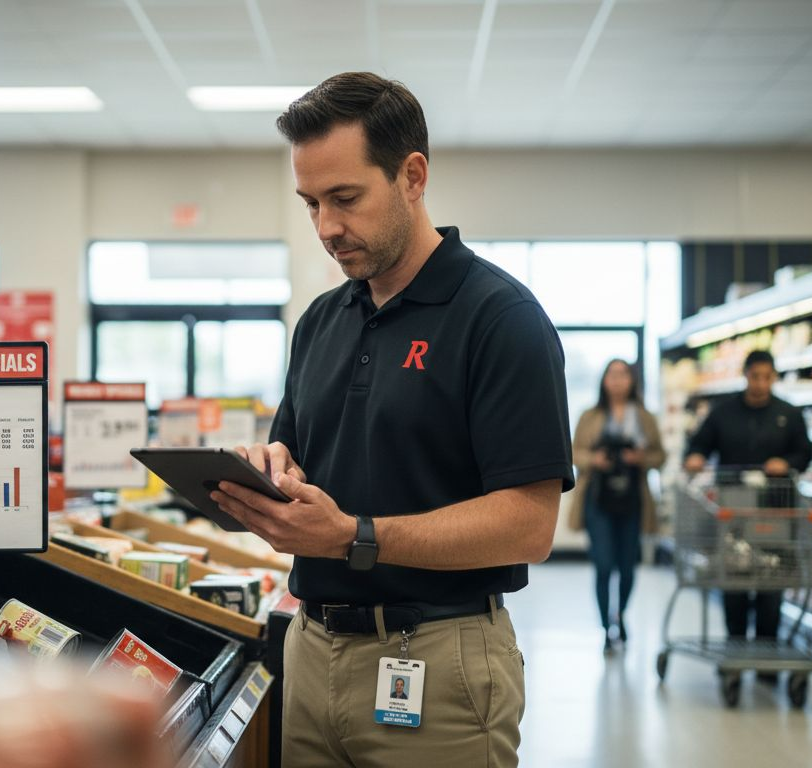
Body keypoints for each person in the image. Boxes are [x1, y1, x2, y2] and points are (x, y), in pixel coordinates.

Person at [208, 72, 573, 768]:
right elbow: (297, 449)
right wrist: (272, 471)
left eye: (345, 199)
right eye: (311, 203)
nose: (326, 227)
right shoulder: (322, 320)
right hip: (309, 650)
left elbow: (529, 525)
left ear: (412, 176)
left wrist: (354, 537)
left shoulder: (500, 319)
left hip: (437, 659)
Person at [683, 349, 811, 670]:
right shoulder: (723, 413)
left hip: (776, 513)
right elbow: (699, 444)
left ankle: (767, 659)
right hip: (733, 514)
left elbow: (805, 455)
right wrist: (695, 457)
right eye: (756, 377)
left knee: (772, 585)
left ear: (774, 378)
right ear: (746, 375)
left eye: (767, 377)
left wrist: (787, 463)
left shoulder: (789, 414)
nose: (761, 384)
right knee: (735, 583)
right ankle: (736, 653)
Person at [569, 359, 666, 653]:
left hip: (632, 499)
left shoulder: (645, 417)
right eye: (612, 374)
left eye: (623, 374)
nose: (617, 380)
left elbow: (660, 456)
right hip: (598, 498)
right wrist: (594, 460)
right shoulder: (590, 415)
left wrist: (640, 458)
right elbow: (573, 453)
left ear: (632, 380)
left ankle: (620, 615)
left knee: (627, 567)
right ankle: (605, 628)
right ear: (603, 380)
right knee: (603, 564)